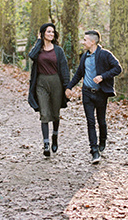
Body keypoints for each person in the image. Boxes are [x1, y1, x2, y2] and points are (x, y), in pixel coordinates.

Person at [65, 30, 122, 164]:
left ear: (93, 41)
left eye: (85, 40)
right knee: (90, 122)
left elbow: (117, 68)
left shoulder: (105, 54)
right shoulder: (84, 57)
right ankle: (94, 150)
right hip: (87, 93)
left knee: (101, 121)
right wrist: (69, 87)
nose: (82, 42)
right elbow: (79, 74)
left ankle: (103, 141)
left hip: (101, 93)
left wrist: (103, 76)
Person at [28, 23, 70, 157]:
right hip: (41, 83)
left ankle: (55, 137)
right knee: (44, 113)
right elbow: (31, 56)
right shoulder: (38, 50)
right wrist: (39, 41)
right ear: (42, 33)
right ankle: (46, 144)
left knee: (55, 113)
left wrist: (67, 86)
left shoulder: (58, 50)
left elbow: (64, 69)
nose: (51, 34)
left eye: (53, 32)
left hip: (56, 82)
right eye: (48, 32)